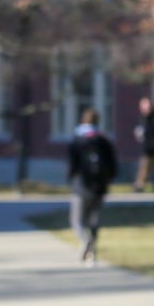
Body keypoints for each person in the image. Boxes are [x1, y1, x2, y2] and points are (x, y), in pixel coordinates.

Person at [66, 107, 118, 266]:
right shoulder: (104, 140)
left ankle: (85, 241)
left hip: (81, 185)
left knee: (77, 220)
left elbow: (72, 165)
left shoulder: (78, 139)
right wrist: (108, 180)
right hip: (100, 186)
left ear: (83, 120)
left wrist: (70, 179)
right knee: (94, 219)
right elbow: (113, 166)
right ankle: (92, 252)